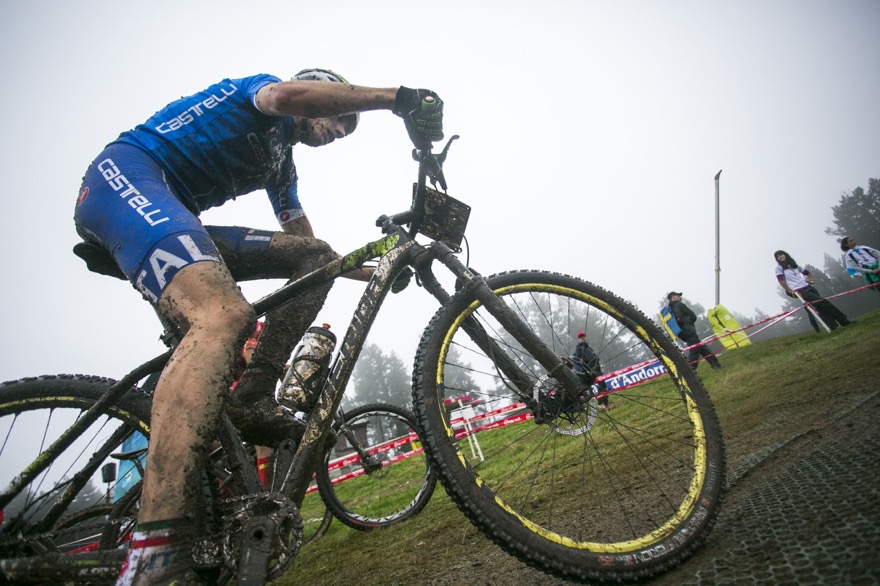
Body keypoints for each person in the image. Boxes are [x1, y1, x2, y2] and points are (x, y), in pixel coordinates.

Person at [74, 68, 443, 585]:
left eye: (346, 129)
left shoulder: (281, 167)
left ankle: (245, 409)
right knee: (224, 317)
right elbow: (287, 96)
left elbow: (314, 251)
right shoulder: (264, 92)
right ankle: (154, 555)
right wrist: (397, 98)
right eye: (341, 118)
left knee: (312, 258)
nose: (340, 132)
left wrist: (378, 268)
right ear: (319, 91)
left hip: (169, 212)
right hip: (127, 181)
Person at [774, 250, 851, 332]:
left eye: (780, 255)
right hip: (799, 291)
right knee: (824, 302)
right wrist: (790, 290)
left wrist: (810, 280)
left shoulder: (794, 265)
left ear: (785, 255)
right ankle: (843, 321)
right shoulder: (779, 268)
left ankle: (833, 326)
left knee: (819, 306)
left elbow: (808, 273)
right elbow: (781, 281)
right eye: (777, 257)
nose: (779, 257)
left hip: (808, 287)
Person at [665, 293, 722, 370]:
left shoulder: (669, 310)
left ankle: (716, 364)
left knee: (701, 347)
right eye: (678, 295)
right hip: (689, 330)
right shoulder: (679, 304)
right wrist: (690, 321)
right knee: (694, 349)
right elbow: (693, 316)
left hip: (681, 333)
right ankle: (690, 369)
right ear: (673, 297)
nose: (680, 297)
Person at [571, 331, 615, 410]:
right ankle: (603, 404)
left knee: (602, 385)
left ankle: (605, 403)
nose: (582, 338)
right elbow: (578, 361)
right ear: (578, 339)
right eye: (580, 337)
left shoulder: (588, 348)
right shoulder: (579, 349)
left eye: (583, 336)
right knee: (600, 385)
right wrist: (583, 371)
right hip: (589, 371)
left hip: (596, 369)